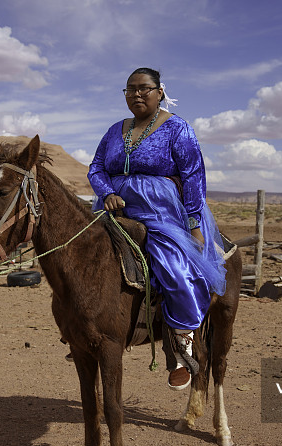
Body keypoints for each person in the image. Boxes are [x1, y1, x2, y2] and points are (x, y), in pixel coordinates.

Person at [88, 67, 227, 391]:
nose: (137, 94)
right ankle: (84, 330)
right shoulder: (114, 130)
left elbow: (193, 177)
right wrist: (107, 192)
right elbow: (96, 167)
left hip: (160, 212)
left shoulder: (178, 128)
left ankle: (182, 345)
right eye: (130, 89)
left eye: (144, 88)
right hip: (113, 208)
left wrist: (194, 225)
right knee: (80, 258)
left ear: (160, 91)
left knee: (174, 268)